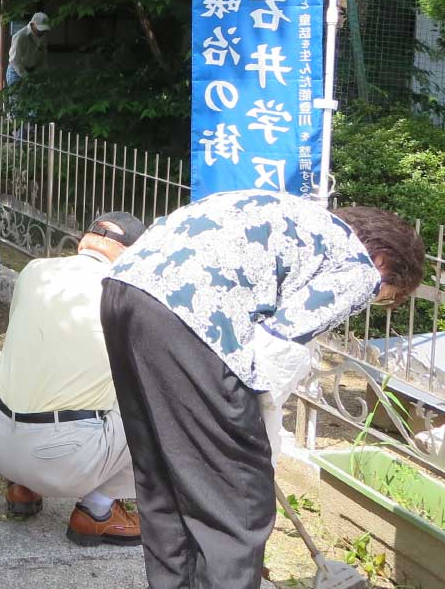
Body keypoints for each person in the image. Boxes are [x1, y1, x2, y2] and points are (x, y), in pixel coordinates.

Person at [101, 190, 426, 589]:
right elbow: (278, 347)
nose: (372, 299)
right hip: (194, 316)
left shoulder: (297, 219)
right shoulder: (359, 267)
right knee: (239, 500)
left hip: (124, 289)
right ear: (385, 262)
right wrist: (257, 439)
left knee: (163, 476)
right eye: (383, 297)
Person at [0, 213, 147, 549]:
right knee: (153, 396)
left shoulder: (33, 271)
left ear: (84, 241)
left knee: (32, 361)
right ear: (133, 254)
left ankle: (22, 486)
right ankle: (96, 510)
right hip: (63, 461)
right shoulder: (125, 293)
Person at [6, 11, 50, 87]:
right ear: (32, 24)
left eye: (44, 30)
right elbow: (14, 60)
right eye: (40, 29)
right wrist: (26, 77)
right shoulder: (20, 36)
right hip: (16, 72)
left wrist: (45, 74)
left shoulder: (43, 36)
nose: (42, 31)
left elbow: (42, 58)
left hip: (32, 71)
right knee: (17, 95)